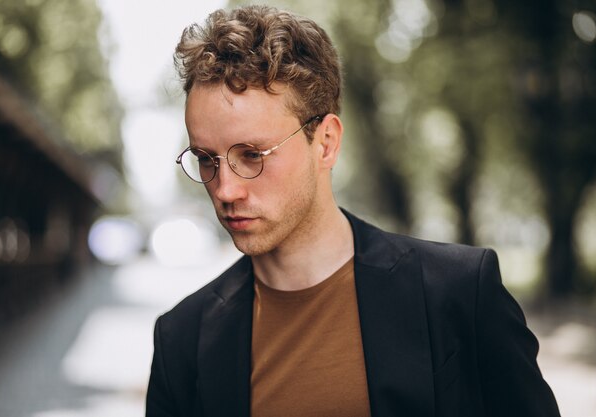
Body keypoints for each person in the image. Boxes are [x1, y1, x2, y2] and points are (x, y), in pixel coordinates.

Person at [146, 5, 560, 417]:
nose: (225, 189)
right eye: (206, 158)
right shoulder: (182, 338)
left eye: (252, 154)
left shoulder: (458, 293)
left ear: (325, 142)